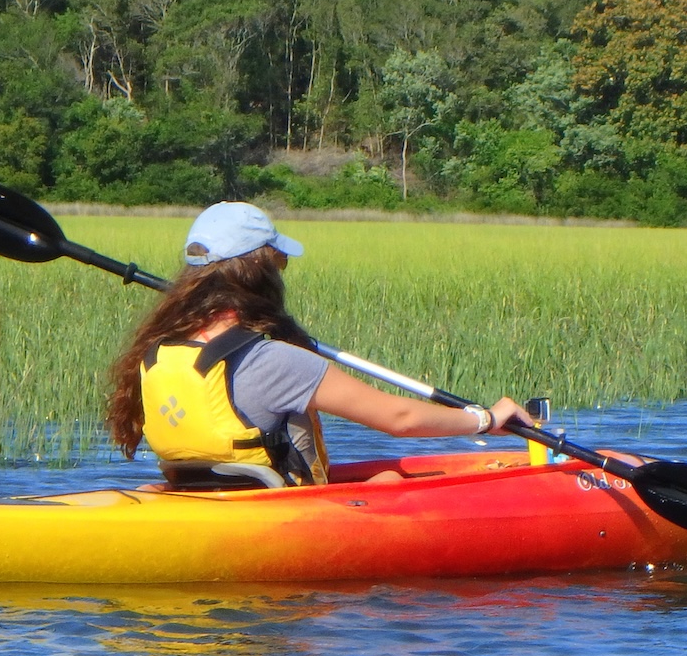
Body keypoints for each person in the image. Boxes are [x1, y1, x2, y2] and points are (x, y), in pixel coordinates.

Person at [106, 201, 528, 487]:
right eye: (280, 260)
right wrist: (486, 418)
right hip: (271, 511)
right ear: (261, 270)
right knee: (390, 484)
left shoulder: (159, 352)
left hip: (200, 498)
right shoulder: (274, 361)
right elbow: (400, 418)